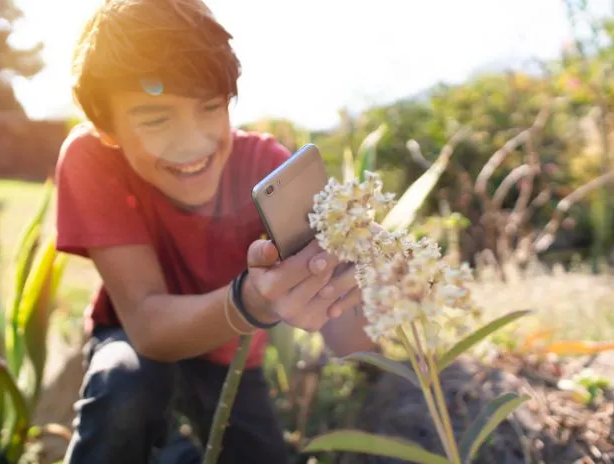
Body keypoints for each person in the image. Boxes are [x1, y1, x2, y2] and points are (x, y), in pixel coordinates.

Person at [54, 1, 375, 463]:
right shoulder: (91, 158)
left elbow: (350, 338)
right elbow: (147, 327)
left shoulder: (267, 168)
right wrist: (253, 300)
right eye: (156, 119)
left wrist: (367, 288)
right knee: (123, 388)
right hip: (136, 342)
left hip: (230, 359)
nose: (193, 142)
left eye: (210, 107)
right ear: (108, 128)